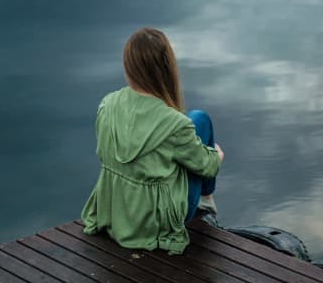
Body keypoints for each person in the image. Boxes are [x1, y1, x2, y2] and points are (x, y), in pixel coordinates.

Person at [81, 27, 224, 254]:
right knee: (200, 119)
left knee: (193, 123)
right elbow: (209, 167)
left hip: (116, 210)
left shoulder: (107, 104)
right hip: (155, 222)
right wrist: (217, 155)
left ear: (128, 66)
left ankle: (204, 199)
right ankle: (206, 201)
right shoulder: (175, 124)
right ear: (167, 68)